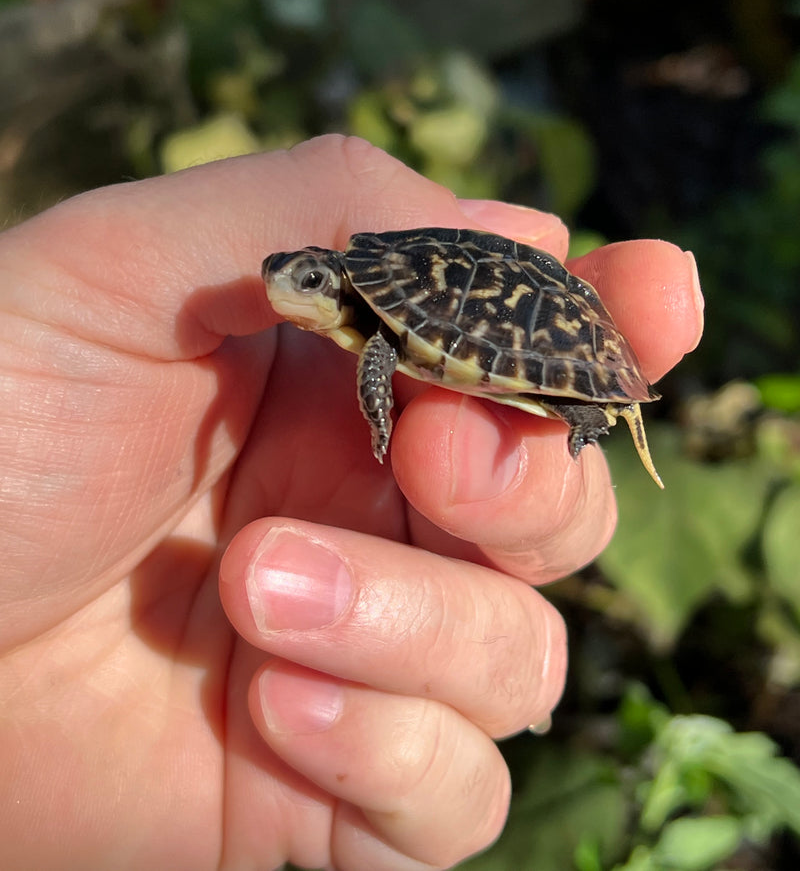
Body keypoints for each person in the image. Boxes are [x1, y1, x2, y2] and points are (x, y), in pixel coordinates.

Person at [0, 135, 703, 871]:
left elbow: (381, 351)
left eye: (303, 278)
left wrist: (381, 416)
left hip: (532, 341)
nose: (283, 288)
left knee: (471, 458)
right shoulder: (351, 308)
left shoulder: (375, 307)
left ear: (331, 280)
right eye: (285, 275)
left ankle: (587, 407)